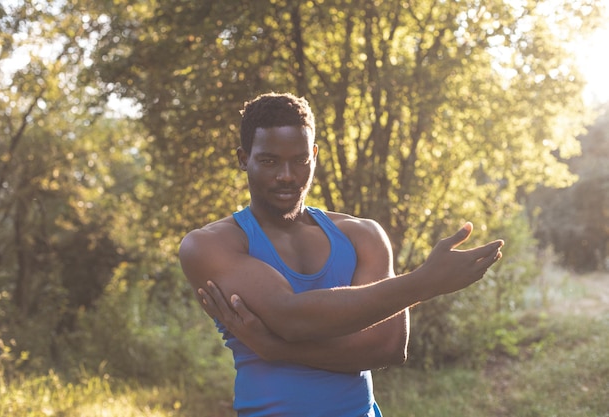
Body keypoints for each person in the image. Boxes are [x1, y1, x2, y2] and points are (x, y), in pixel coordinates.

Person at [178, 92, 504, 417]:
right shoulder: (209, 245)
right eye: (269, 161)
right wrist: (423, 284)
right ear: (243, 158)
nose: (287, 175)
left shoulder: (362, 235)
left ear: (315, 155)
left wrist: (276, 349)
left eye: (300, 159)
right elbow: (290, 317)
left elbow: (389, 348)